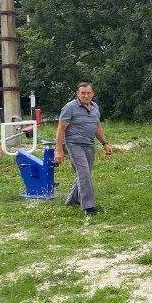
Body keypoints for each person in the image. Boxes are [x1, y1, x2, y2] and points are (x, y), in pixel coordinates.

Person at [54, 82, 113, 216]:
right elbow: (61, 128)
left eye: (88, 93)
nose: (86, 96)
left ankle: (72, 199)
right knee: (84, 173)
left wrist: (105, 143)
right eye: (83, 93)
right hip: (74, 145)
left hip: (89, 144)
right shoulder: (70, 108)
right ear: (78, 94)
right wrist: (59, 149)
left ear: (93, 94)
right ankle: (88, 207)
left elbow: (97, 127)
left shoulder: (95, 107)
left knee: (84, 173)